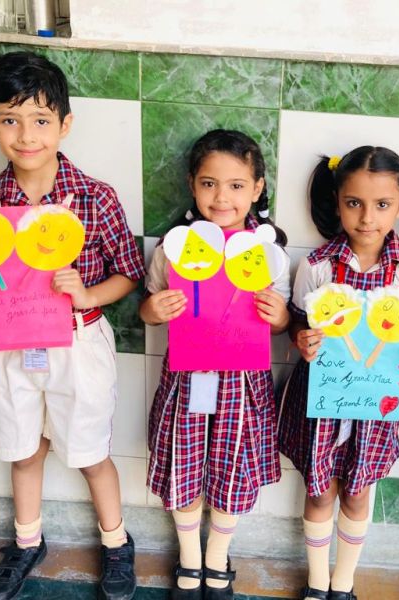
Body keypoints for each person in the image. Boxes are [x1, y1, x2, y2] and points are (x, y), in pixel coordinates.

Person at [0, 51, 145, 600]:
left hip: (78, 343)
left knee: (89, 453)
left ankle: (116, 541)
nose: (26, 135)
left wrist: (88, 294)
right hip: (11, 346)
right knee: (23, 450)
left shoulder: (95, 197)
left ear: (65, 124)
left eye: (40, 120)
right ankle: (27, 540)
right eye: (9, 120)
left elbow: (128, 273)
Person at [140, 129, 290, 600]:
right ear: (192, 184)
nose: (221, 197)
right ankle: (189, 556)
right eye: (209, 183)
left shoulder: (268, 255)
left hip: (242, 383)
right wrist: (154, 310)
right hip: (186, 378)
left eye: (236, 185)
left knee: (233, 467)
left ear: (257, 188)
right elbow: (149, 307)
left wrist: (279, 316)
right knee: (183, 462)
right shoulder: (173, 249)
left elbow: (281, 324)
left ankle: (217, 557)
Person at [278, 146, 399, 600]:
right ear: (337, 202)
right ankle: (317, 582)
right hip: (322, 399)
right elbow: (297, 324)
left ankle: (343, 584)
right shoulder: (317, 266)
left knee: (358, 491)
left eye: (382, 204)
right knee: (319, 491)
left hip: (375, 404)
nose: (367, 217)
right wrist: (301, 340)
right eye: (354, 203)